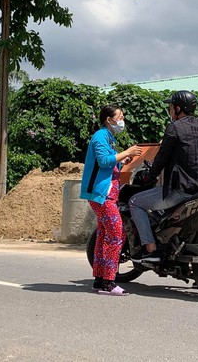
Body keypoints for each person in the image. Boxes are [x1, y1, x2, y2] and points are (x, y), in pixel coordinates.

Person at [129, 90, 198, 263]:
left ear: (177, 108)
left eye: (170, 107)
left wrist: (149, 176)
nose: (169, 110)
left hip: (181, 189)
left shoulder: (174, 128)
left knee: (135, 202)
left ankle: (150, 249)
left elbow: (161, 158)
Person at [81, 105, 143, 295]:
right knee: (116, 234)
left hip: (106, 195)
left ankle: (100, 280)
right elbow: (103, 161)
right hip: (102, 195)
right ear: (109, 120)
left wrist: (121, 160)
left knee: (103, 236)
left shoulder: (107, 138)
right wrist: (128, 152)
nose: (122, 120)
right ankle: (108, 282)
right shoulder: (100, 137)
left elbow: (109, 160)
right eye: (120, 117)